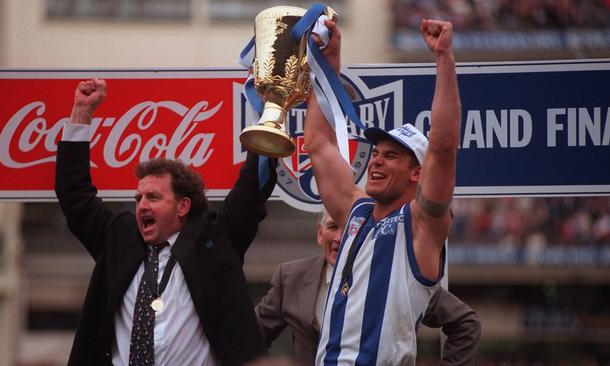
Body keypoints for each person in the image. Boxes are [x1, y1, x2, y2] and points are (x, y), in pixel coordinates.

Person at [54, 79, 276, 366]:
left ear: (183, 206)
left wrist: (271, 106)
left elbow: (252, 190)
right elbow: (74, 196)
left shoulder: (216, 240)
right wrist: (82, 113)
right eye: (138, 198)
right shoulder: (117, 238)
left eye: (153, 197)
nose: (142, 205)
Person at [304, 18, 462, 365]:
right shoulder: (356, 211)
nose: (375, 161)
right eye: (375, 153)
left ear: (417, 173)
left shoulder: (422, 225)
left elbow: (444, 146)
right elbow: (317, 143)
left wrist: (444, 58)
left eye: (391, 156)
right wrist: (328, 66)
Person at [255, 211, 481, 365]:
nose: (340, 238)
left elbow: (466, 324)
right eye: (333, 227)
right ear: (320, 233)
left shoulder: (397, 274)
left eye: (350, 230)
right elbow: (249, 335)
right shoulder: (291, 277)